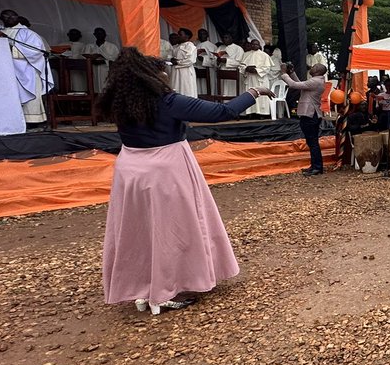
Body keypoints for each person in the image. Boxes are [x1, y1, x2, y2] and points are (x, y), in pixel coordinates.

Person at [99, 48, 272, 314]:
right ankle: (162, 292)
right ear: (151, 77)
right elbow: (222, 112)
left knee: (139, 231)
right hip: (164, 168)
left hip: (130, 169)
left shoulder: (119, 101)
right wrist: (254, 93)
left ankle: (143, 288)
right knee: (169, 230)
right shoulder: (167, 102)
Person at [0, 9, 53, 126]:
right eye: (6, 17)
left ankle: (32, 120)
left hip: (27, 71)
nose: (10, 18)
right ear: (1, 18)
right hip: (6, 71)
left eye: (12, 16)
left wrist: (10, 47)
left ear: (17, 17)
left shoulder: (28, 34)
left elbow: (36, 52)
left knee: (29, 99)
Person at [281, 63, 328, 175]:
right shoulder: (317, 81)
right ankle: (315, 166)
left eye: (314, 67)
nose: (311, 67)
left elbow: (293, 85)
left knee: (313, 142)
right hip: (311, 114)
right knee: (312, 142)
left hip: (310, 115)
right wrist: (292, 72)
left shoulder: (315, 81)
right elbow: (300, 84)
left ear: (318, 71)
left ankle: (317, 167)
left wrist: (283, 73)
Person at [237, 40, 275, 115]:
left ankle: (262, 114)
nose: (254, 46)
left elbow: (267, 68)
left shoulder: (264, 55)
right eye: (253, 44)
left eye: (256, 44)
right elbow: (241, 66)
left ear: (259, 45)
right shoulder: (245, 54)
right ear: (250, 45)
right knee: (249, 95)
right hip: (249, 78)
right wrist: (246, 69)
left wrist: (256, 70)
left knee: (261, 96)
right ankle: (249, 113)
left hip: (260, 79)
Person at [169, 28, 198, 98]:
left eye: (180, 34)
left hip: (185, 72)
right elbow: (169, 56)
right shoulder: (176, 47)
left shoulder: (190, 46)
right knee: (176, 88)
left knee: (186, 89)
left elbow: (190, 60)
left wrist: (177, 62)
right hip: (175, 71)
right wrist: (171, 59)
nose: (178, 36)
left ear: (187, 36)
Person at [89, 26, 120, 93]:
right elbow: (85, 58)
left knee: (106, 89)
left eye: (101, 34)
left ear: (105, 35)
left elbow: (117, 60)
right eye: (98, 34)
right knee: (95, 89)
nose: (100, 35)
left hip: (106, 71)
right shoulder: (90, 47)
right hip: (94, 71)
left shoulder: (112, 46)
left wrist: (104, 61)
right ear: (94, 35)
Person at [62, 28, 92, 93]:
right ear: (68, 35)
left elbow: (85, 56)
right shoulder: (62, 45)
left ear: (80, 36)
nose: (73, 36)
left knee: (80, 86)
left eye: (75, 34)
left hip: (79, 70)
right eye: (72, 34)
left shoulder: (85, 46)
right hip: (66, 71)